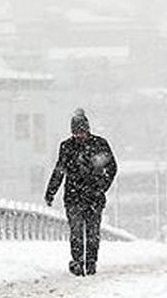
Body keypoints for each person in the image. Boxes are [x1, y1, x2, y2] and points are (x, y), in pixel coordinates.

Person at [44, 108, 117, 276]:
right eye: (76, 133)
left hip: (93, 196)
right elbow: (59, 170)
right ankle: (77, 261)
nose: (79, 136)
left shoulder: (100, 144)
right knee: (76, 231)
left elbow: (112, 167)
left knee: (92, 232)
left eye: (81, 132)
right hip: (73, 196)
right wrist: (51, 192)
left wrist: (101, 187)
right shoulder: (67, 147)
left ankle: (90, 262)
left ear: (87, 129)